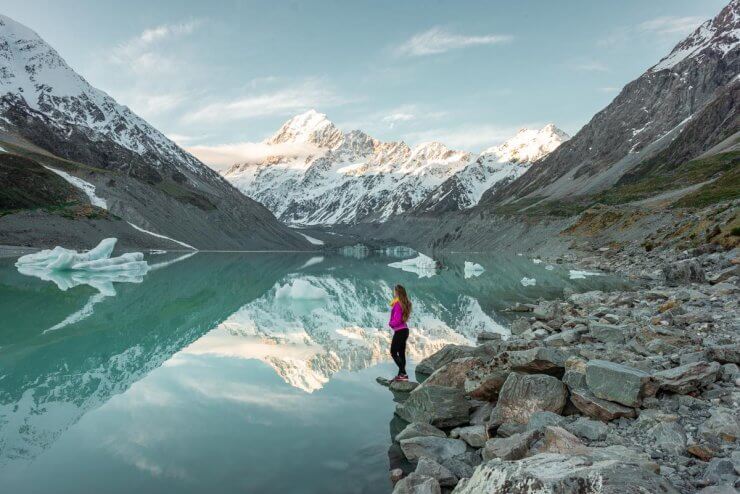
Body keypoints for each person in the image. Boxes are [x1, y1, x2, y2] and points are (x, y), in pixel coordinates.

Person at [388, 284, 412, 382]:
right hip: (404, 330)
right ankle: (401, 376)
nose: (393, 292)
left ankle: (403, 373)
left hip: (400, 331)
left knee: (393, 352)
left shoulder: (398, 304)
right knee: (401, 353)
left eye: (395, 291)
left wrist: (391, 323)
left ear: (397, 292)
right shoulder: (404, 303)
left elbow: (397, 320)